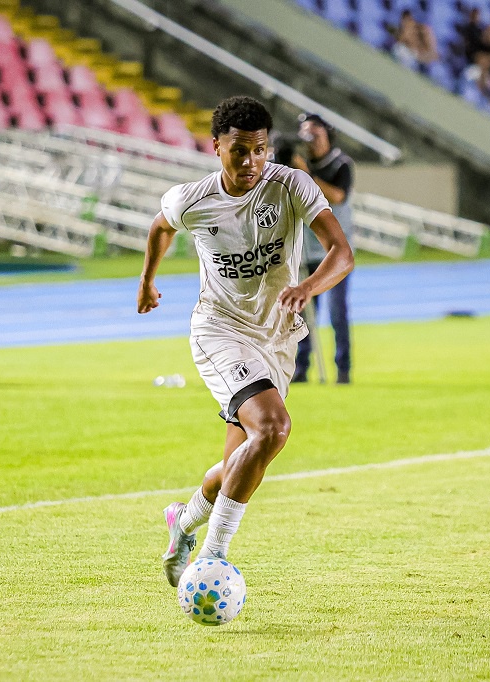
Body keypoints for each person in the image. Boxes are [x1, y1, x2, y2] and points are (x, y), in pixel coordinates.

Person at [137, 96, 354, 586]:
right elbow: (160, 227)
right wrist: (147, 280)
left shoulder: (290, 185)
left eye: (260, 150)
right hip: (220, 329)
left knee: (240, 461)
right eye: (239, 151)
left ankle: (183, 521)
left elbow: (341, 252)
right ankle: (212, 557)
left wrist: (307, 287)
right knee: (274, 427)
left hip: (276, 338)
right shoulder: (192, 199)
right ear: (216, 147)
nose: (251, 162)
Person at [290, 113, 355, 385]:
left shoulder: (341, 164)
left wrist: (306, 175)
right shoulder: (297, 164)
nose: (311, 140)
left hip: (334, 251)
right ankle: (301, 368)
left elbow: (338, 196)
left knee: (337, 311)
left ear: (328, 135)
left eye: (316, 134)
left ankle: (343, 368)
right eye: (306, 135)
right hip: (306, 249)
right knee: (303, 313)